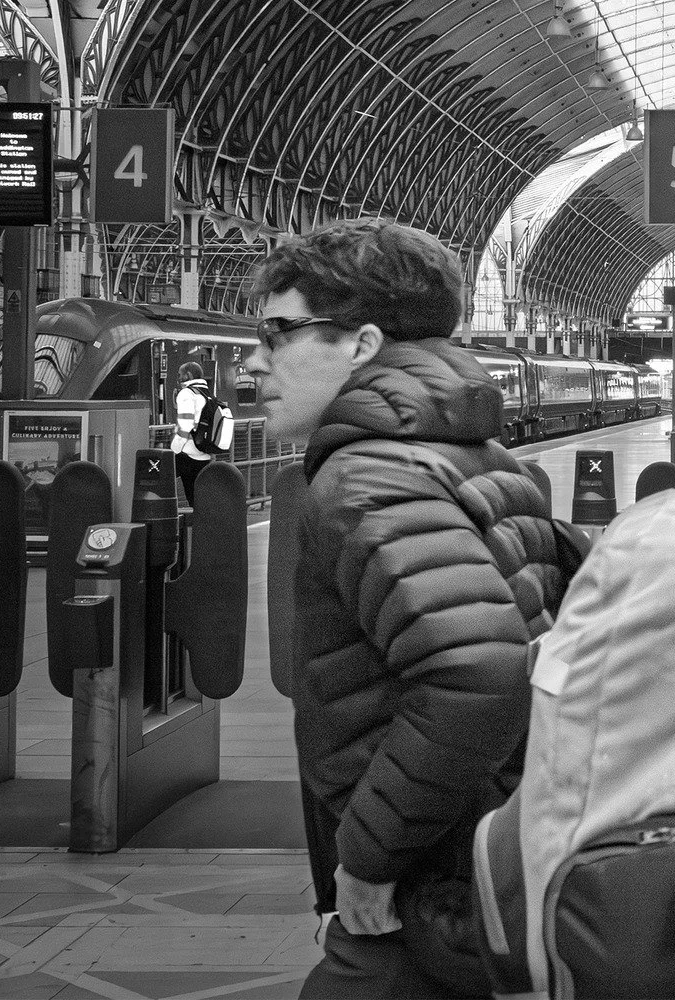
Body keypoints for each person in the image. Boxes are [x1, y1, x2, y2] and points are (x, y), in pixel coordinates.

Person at [244, 219, 573, 998]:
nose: (256, 361)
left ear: (361, 345)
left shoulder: (366, 480)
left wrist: (368, 858)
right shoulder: (481, 457)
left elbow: (480, 671)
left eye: (279, 332)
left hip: (428, 879)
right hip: (489, 844)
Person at [169, 361, 220, 505]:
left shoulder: (186, 393)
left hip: (188, 453)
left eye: (180, 375)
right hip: (204, 452)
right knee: (199, 497)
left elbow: (185, 424)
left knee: (160, 475)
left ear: (188, 375)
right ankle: (205, 522)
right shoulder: (207, 393)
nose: (178, 379)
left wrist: (174, 448)